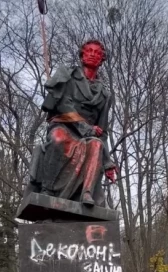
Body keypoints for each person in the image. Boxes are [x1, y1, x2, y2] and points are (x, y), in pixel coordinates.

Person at [24, 39, 117, 207]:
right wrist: (85, 127)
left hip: (87, 136)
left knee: (96, 145)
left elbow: (102, 131)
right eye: (89, 50)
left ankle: (86, 193)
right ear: (82, 55)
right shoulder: (67, 76)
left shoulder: (104, 94)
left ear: (102, 59)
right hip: (64, 125)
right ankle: (47, 189)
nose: (92, 54)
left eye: (97, 53)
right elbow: (63, 105)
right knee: (59, 139)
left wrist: (108, 163)